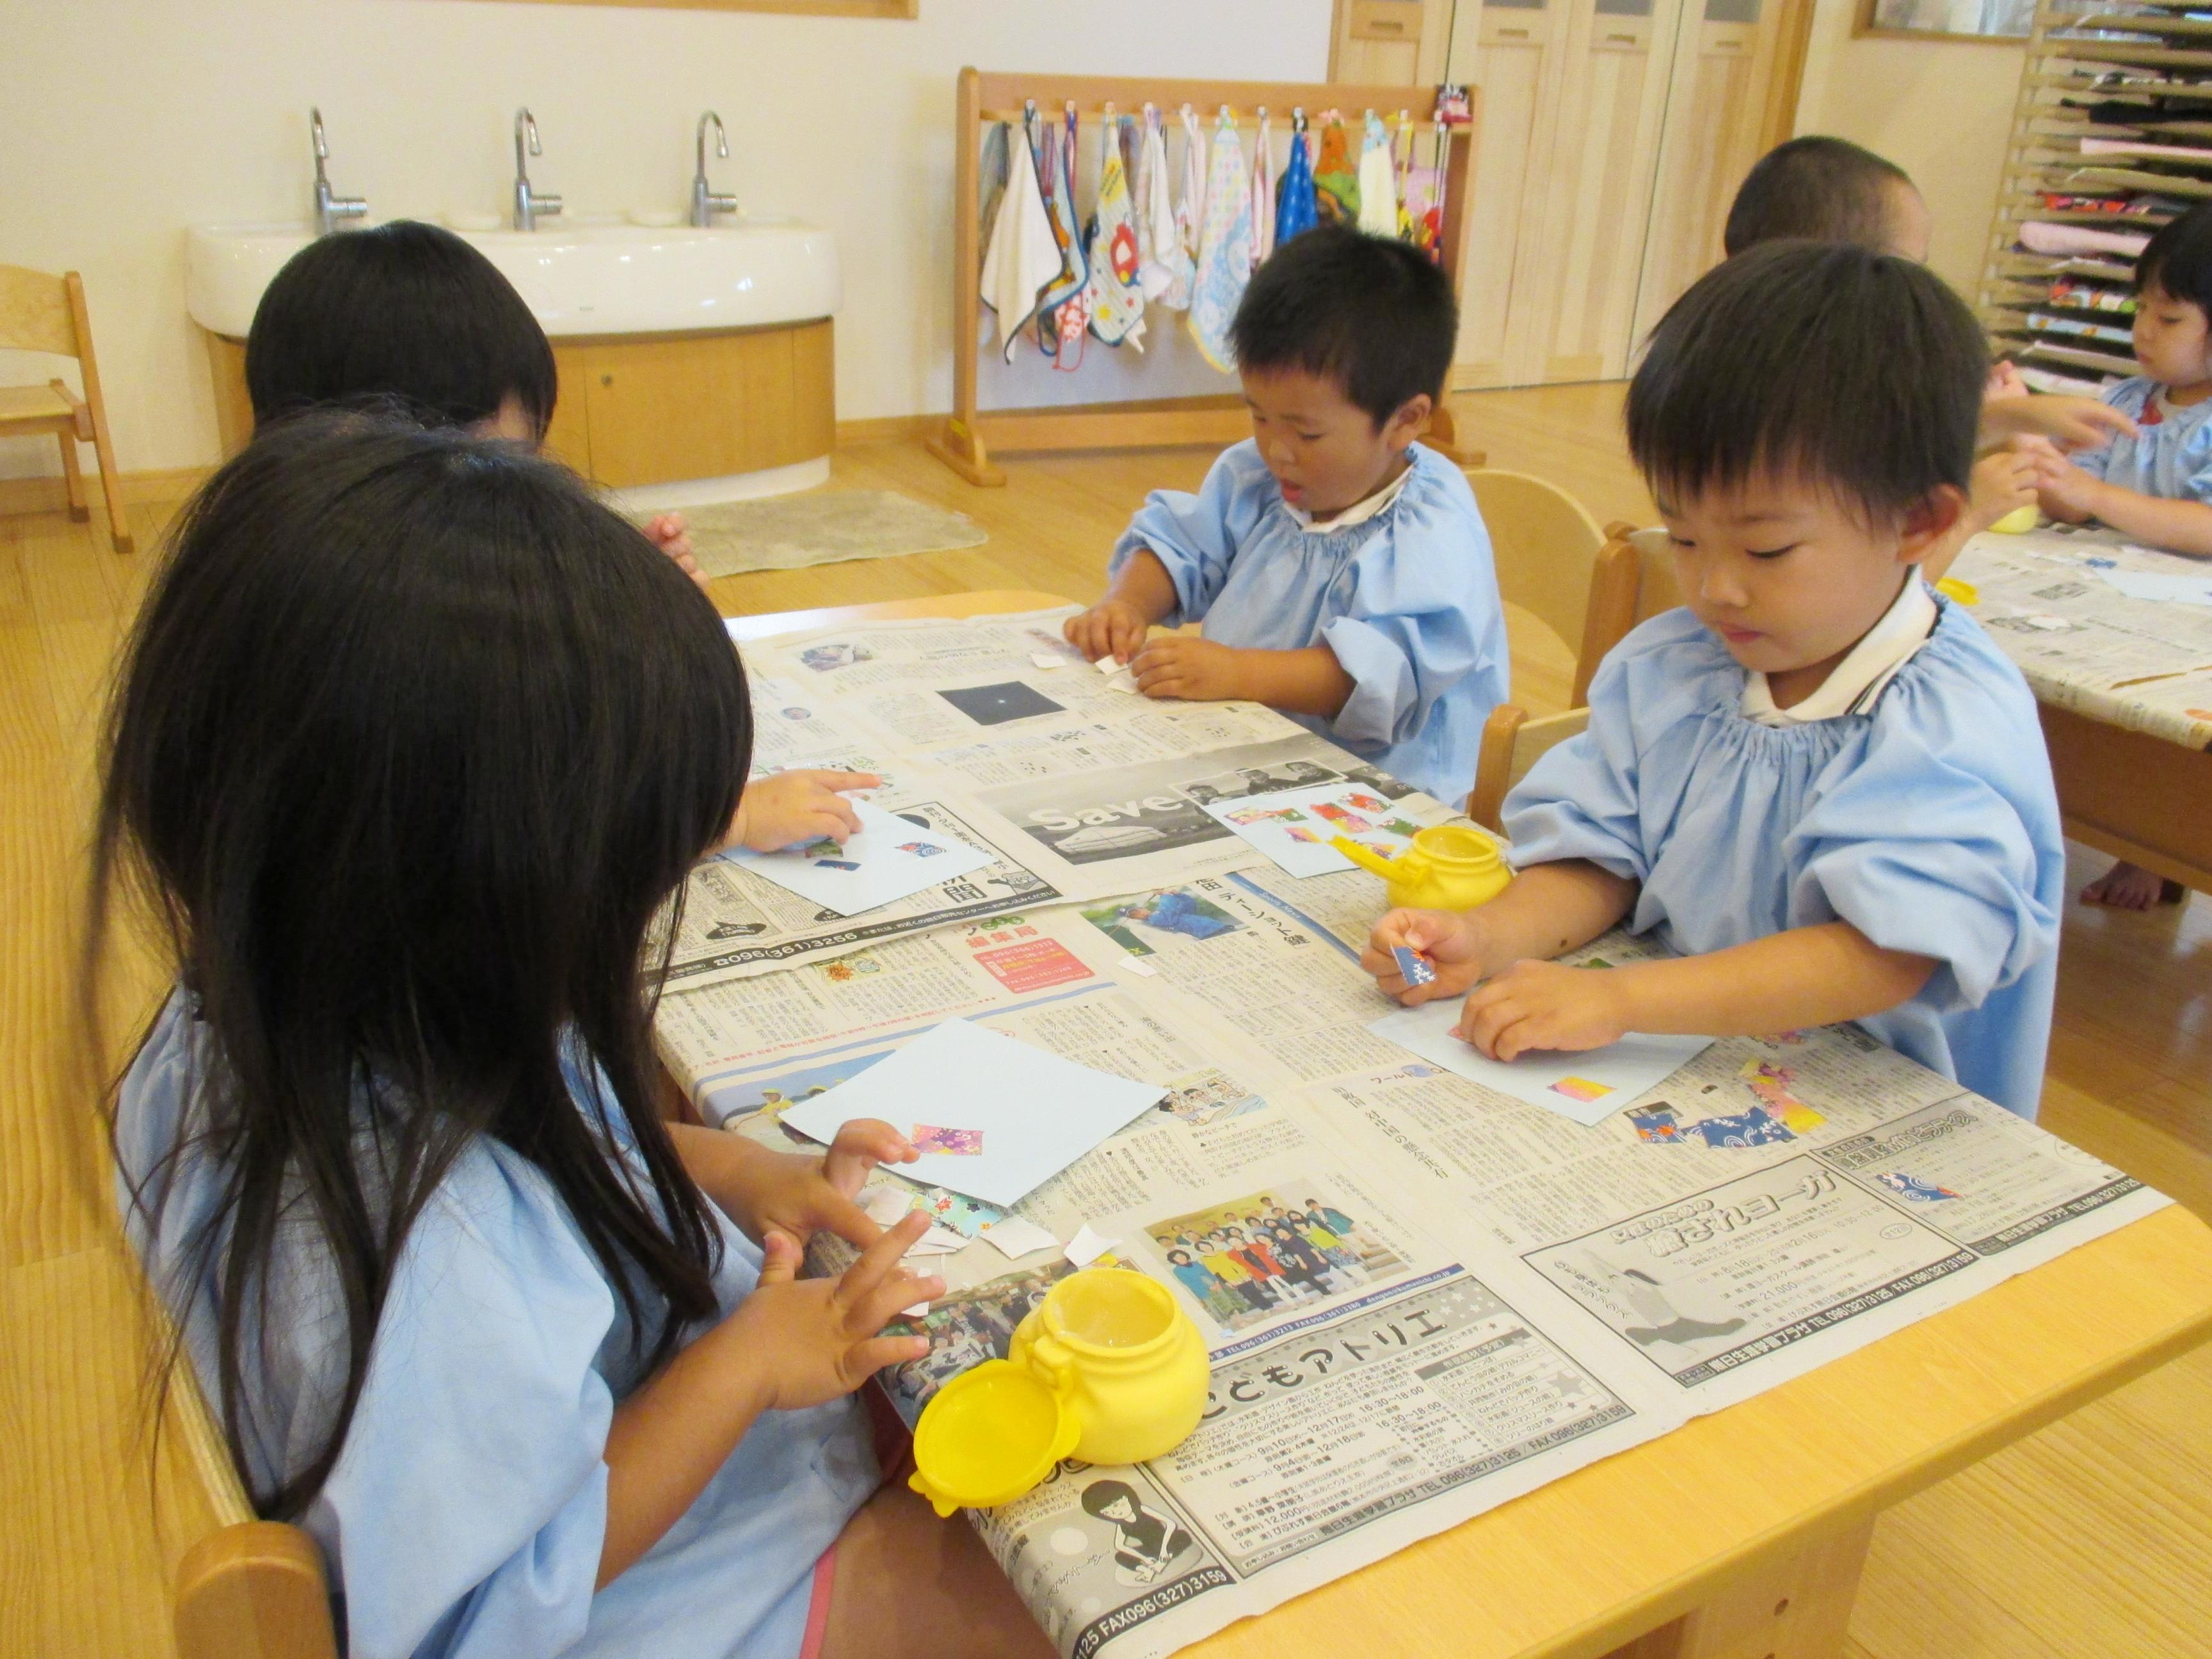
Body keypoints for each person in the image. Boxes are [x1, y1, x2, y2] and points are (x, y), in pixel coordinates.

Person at [96, 413, 1050, 1659]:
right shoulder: (437, 1259)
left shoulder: (289, 999)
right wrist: (744, 1368)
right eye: (634, 884)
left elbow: (558, 1131)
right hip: (614, 1600)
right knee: (1027, 1587)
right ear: (481, 893)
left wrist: (742, 1168)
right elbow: (509, 1597)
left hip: (577, 1459)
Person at [1363, 243, 2065, 1120]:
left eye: (1767, 549)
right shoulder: (1677, 666)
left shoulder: (1947, 721)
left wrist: (1622, 999)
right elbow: (1603, 854)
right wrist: (1488, 935)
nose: (1715, 588)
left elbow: (1882, 955)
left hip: (1873, 1114)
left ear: (1920, 524)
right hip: (1689, 1072)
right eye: (1686, 538)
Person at [244, 220, 872, 855]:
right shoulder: (380, 642)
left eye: (528, 464)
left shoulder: (283, 550)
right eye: (492, 472)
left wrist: (630, 602)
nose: (521, 508)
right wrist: (728, 820)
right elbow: (539, 829)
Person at [1063, 225, 1509, 805]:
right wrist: (1126, 604)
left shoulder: (1431, 531)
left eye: (1307, 432)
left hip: (1383, 795)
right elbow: (1182, 548)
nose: (1277, 449)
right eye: (1259, 416)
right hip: (1248, 754)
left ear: (1405, 421)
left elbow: (1382, 677)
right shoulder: (1258, 475)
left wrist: (1237, 673)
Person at [1722, 138, 2136, 579]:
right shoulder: (1784, 403)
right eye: (1911, 268)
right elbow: (1857, 599)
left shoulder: (1776, 361)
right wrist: (1967, 515)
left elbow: (1882, 449)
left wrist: (2012, 416)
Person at [2022, 202, 2212, 906]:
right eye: (2141, 311)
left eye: (2170, 318)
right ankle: (2095, 817)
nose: (2144, 331)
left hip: (2188, 619)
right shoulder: (2131, 400)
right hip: (2113, 592)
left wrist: (2098, 497)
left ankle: (2154, 850)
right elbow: (2074, 500)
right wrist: (2040, 459)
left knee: (2162, 736)